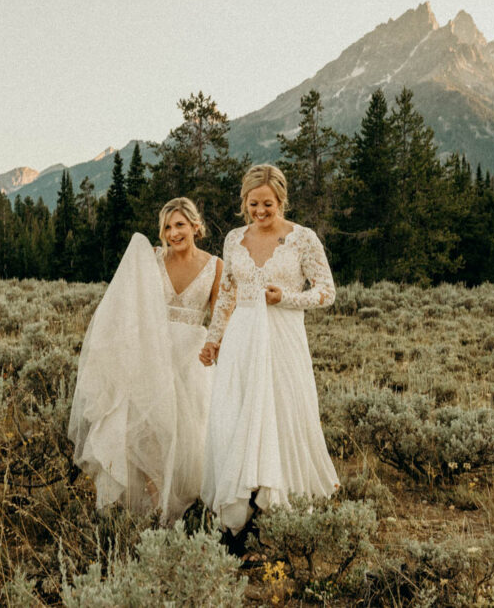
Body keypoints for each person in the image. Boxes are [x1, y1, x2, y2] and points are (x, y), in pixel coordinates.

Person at [199, 164, 340, 539]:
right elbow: (227, 294)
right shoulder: (233, 239)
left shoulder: (303, 238)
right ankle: (240, 512)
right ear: (244, 202)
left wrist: (286, 297)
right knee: (237, 415)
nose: (260, 212)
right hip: (243, 337)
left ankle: (277, 508)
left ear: (281, 201)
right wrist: (214, 339)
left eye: (268, 204)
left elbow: (327, 291)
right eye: (253, 204)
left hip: (282, 335)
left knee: (281, 413)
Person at [68, 197, 222, 523]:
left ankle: (185, 503)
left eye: (180, 224)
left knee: (189, 434)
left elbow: (220, 315)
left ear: (196, 226)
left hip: (192, 356)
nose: (173, 232)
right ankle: (156, 504)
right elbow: (129, 303)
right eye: (167, 226)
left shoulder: (214, 265)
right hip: (154, 352)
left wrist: (214, 343)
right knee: (147, 431)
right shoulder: (152, 259)